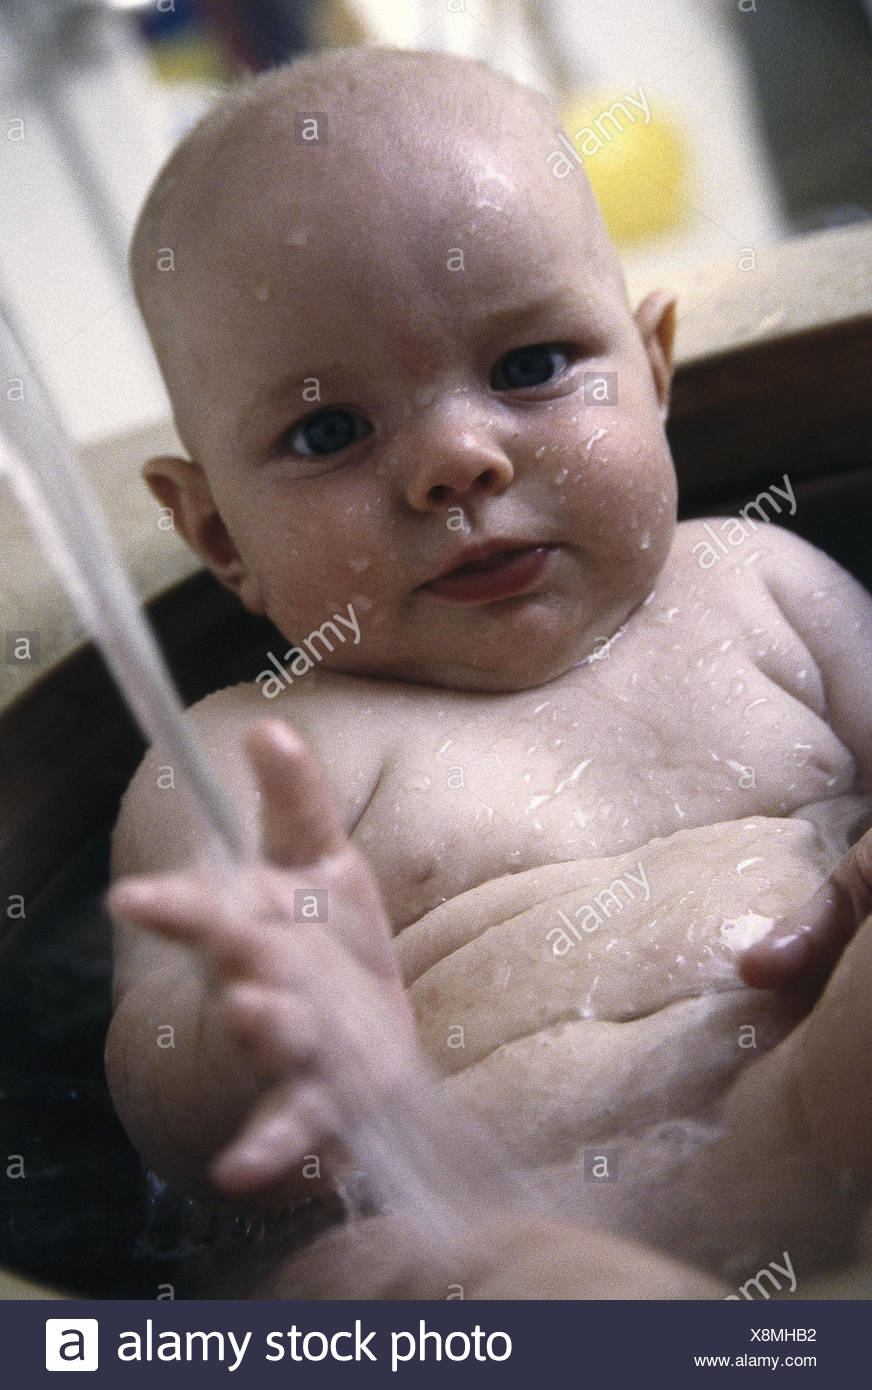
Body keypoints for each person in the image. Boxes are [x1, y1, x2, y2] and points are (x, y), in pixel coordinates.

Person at [105, 46, 872, 1298]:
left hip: (832, 1089)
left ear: (654, 368)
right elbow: (163, 1083)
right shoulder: (253, 755)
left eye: (528, 367)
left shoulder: (763, 585)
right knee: (362, 1276)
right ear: (218, 536)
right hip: (494, 1229)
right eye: (328, 430)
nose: (455, 462)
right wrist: (247, 1035)